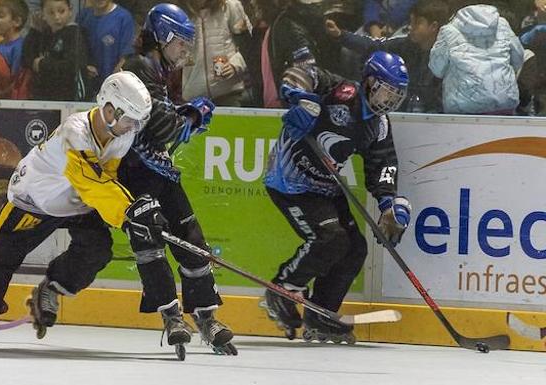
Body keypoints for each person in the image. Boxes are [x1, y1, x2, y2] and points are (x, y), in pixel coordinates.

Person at [0, 71, 157, 348]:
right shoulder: (75, 132)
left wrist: (129, 210)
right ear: (110, 109)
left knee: (97, 250)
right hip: (36, 199)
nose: (134, 127)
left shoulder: (121, 134)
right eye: (130, 119)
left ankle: (51, 287)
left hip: (78, 201)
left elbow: (105, 180)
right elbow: (92, 182)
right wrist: (128, 213)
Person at [262, 52, 412, 343]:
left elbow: (382, 164)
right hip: (291, 181)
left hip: (326, 187)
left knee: (355, 249)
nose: (390, 100)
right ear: (369, 81)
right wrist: (298, 97)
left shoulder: (379, 124)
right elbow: (305, 73)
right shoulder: (343, 92)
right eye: (386, 90)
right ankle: (282, 289)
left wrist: (388, 204)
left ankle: (321, 314)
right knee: (331, 238)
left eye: (397, 95)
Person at [119, 3, 236, 355]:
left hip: (160, 169)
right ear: (162, 37)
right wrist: (194, 117)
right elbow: (164, 127)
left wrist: (186, 113)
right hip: (136, 171)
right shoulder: (141, 67)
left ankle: (205, 315)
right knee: (151, 241)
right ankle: (171, 314)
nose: (185, 49)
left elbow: (164, 120)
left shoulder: (160, 70)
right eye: (180, 42)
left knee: (190, 239)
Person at [325, 0, 450, 113]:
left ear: (433, 27)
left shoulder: (449, 57)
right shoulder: (406, 45)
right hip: (403, 112)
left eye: (417, 23)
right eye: (411, 22)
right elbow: (374, 46)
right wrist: (341, 35)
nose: (411, 27)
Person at [428, 4, 524, 115]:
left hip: (462, 108)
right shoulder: (502, 25)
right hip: (504, 103)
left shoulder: (449, 30)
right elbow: (519, 57)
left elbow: (437, 69)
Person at [180, 0, 252, 106]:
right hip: (194, 97)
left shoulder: (230, 7)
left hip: (229, 94)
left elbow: (249, 45)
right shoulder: (180, 13)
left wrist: (235, 64)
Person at [21, 0, 91, 101]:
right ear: (42, 14)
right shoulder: (43, 35)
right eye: (51, 13)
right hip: (46, 96)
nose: (57, 17)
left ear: (70, 11)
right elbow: (26, 60)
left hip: (69, 97)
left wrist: (42, 64)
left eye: (61, 11)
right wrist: (34, 31)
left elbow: (72, 66)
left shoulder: (74, 34)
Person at [78, 0, 135, 90]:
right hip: (87, 86)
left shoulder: (124, 18)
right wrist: (84, 67)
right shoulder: (83, 16)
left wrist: (112, 84)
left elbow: (126, 58)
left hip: (113, 87)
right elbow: (76, 50)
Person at [0, 0, 29, 78]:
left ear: (17, 21)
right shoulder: (0, 45)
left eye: (1, 16)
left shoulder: (19, 47)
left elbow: (15, 79)